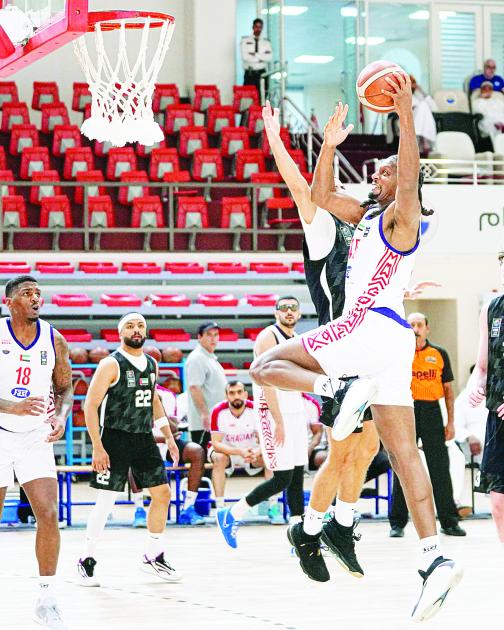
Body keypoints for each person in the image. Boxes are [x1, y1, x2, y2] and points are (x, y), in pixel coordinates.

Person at [250, 76, 462, 622]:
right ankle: (433, 555)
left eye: (383, 171)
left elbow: (410, 173)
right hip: (392, 344)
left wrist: (405, 112)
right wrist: (328, 145)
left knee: (265, 364)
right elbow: (319, 196)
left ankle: (334, 390)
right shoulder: (367, 215)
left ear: (404, 181)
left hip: (365, 327)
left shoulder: (402, 215)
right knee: (404, 455)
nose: (376, 175)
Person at [77, 313, 181, 586]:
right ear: (120, 332)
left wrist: (168, 437)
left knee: (162, 494)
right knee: (106, 501)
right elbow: (90, 405)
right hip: (114, 439)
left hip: (143, 438)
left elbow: (154, 400)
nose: (136, 330)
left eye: (141, 326)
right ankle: (86, 559)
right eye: (131, 326)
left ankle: (153, 555)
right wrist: (97, 447)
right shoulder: (110, 364)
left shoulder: (152, 363)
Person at [0, 275, 72, 629]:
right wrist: (9, 406)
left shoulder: (54, 338)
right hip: (0, 431)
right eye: (27, 293)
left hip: (35, 437)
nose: (35, 298)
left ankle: (47, 598)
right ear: (9, 302)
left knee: (48, 513)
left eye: (38, 293)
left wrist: (60, 417)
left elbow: (65, 388)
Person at [217, 296, 308, 547]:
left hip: (295, 410)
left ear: (299, 314)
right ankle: (232, 513)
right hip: (273, 413)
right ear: (276, 313)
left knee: (297, 475)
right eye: (283, 308)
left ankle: (298, 535)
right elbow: (266, 381)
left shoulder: (296, 338)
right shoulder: (268, 337)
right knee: (282, 477)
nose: (289, 312)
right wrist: (278, 421)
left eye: (293, 308)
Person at [389, 313, 466, 538]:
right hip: (406, 412)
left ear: (427, 329)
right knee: (402, 465)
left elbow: (449, 391)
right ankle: (397, 523)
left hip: (432, 411)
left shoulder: (439, 353)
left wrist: (450, 422)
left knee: (439, 467)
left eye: (419, 325)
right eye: (411, 325)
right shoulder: (399, 354)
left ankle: (449, 522)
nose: (415, 328)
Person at [131, 382, 207, 527]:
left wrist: (159, 408)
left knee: (197, 452)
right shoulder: (128, 392)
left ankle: (188, 508)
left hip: (167, 445)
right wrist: (162, 437)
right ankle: (139, 510)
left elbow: (174, 429)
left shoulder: (167, 395)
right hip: (143, 445)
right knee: (132, 453)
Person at [469, 252, 504, 543]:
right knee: (498, 503)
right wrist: (477, 385)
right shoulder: (491, 310)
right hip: (497, 419)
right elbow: (482, 367)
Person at [209, 380, 266, 510]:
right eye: (232, 393)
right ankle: (220, 506)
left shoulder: (256, 409)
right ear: (226, 396)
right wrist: (240, 452)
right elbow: (216, 444)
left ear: (245, 394)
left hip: (251, 452)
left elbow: (265, 440)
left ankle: (273, 506)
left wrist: (257, 452)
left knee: (270, 458)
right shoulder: (218, 410)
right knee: (219, 458)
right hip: (227, 452)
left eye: (239, 392)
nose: (236, 396)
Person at [186, 321, 227, 448]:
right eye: (209, 334)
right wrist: (204, 414)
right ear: (199, 337)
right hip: (204, 423)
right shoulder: (197, 358)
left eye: (216, 334)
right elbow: (194, 387)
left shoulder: (209, 357)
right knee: (202, 457)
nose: (213, 338)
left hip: (215, 420)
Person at [240, 18, 272, 98]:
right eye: (256, 27)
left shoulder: (266, 42)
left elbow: (269, 57)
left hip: (262, 74)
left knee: (262, 98)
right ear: (253, 27)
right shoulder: (245, 41)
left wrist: (255, 54)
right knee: (248, 98)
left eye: (260, 27)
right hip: (249, 74)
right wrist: (261, 57)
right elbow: (245, 57)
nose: (258, 29)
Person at [472, 81, 504, 147]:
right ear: (481, 90)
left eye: (489, 89)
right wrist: (481, 98)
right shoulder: (477, 101)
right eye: (485, 89)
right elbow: (477, 112)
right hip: (488, 122)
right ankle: (498, 148)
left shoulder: (498, 101)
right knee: (495, 128)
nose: (487, 91)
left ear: (492, 91)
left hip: (501, 120)